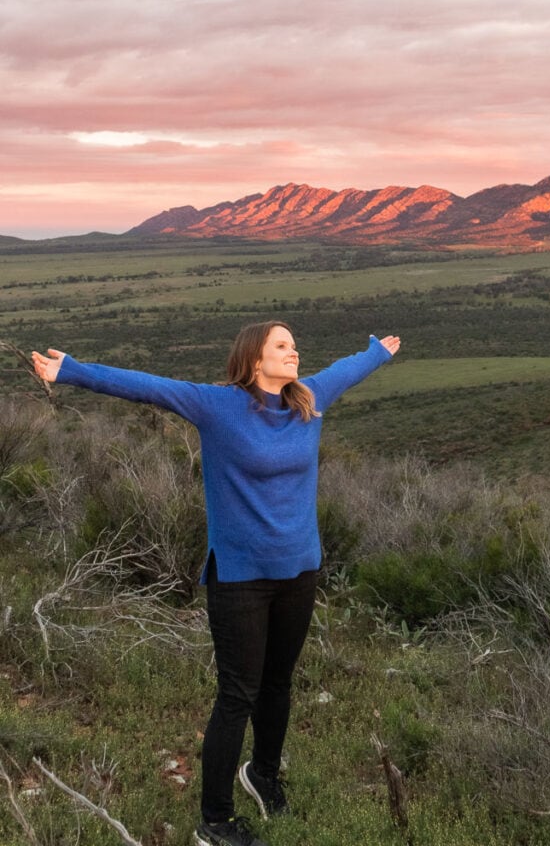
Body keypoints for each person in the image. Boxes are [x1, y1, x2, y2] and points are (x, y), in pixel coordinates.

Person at [32, 322, 400, 846]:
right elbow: (147, 385)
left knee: (279, 684)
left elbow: (348, 369)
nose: (294, 350)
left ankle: (263, 775)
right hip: (241, 578)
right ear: (254, 360)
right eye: (281, 345)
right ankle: (215, 822)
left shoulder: (309, 400)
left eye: (295, 343)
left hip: (300, 568)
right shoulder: (217, 406)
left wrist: (376, 352)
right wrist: (71, 371)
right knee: (237, 695)